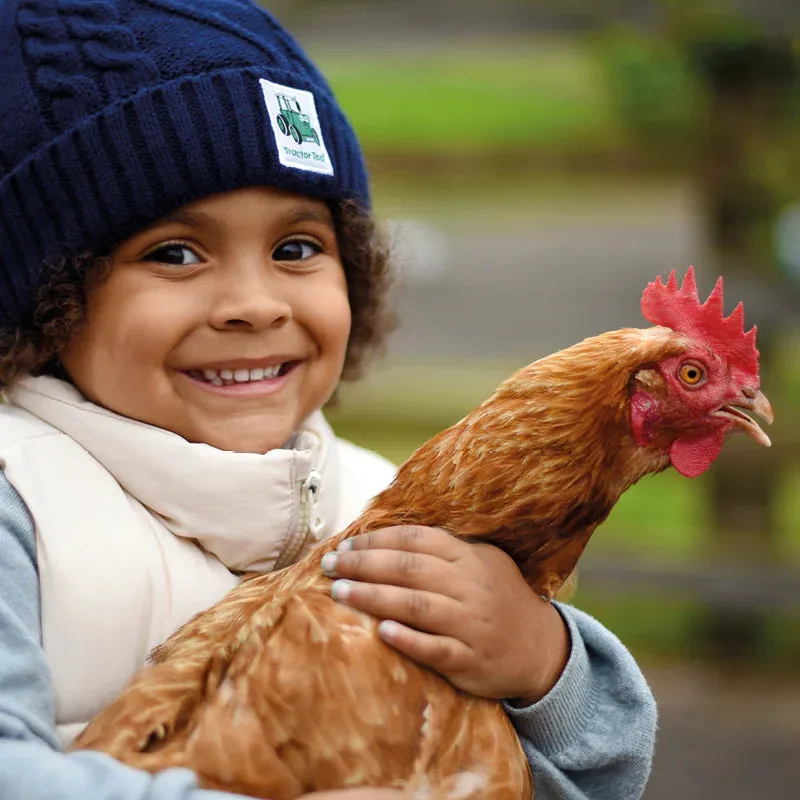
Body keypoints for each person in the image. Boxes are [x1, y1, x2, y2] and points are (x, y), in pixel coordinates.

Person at [0, 1, 656, 799]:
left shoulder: (377, 501)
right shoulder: (22, 500)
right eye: (174, 252)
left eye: (296, 248)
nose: (255, 302)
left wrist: (541, 666)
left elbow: (588, 779)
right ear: (48, 300)